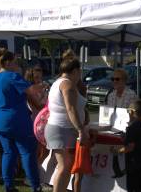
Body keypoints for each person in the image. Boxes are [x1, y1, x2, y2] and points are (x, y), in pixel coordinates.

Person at [0, 48, 42, 192]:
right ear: (7, 62)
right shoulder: (12, 76)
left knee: (8, 152)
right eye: (14, 62)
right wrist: (44, 86)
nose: (17, 65)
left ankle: (8, 186)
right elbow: (32, 91)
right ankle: (36, 186)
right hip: (16, 120)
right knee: (27, 152)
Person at [44, 58, 89, 192]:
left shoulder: (58, 82)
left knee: (65, 166)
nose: (80, 75)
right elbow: (71, 109)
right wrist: (81, 130)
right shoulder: (67, 84)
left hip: (60, 128)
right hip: (61, 129)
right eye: (79, 72)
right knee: (64, 167)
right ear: (75, 71)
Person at [111, 99, 141, 192]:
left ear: (131, 112)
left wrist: (117, 151)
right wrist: (125, 138)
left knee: (132, 187)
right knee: (140, 187)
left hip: (133, 163)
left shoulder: (132, 127)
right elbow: (136, 141)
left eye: (128, 111)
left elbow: (130, 147)